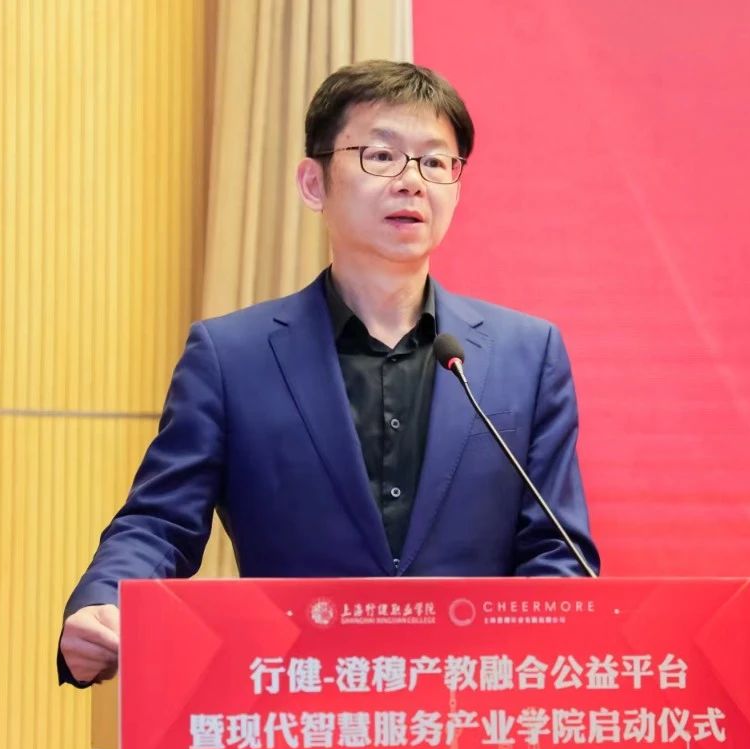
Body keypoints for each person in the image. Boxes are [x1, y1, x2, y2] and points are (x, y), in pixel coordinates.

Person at [57, 59, 599, 690]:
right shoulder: (231, 357)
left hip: (474, 709)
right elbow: (160, 522)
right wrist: (106, 602)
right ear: (313, 183)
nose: (411, 182)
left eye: (435, 162)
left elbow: (557, 553)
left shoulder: (526, 355)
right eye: (381, 156)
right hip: (294, 705)